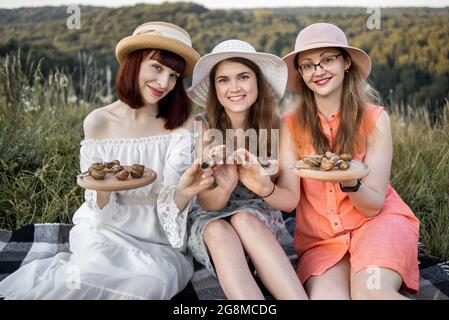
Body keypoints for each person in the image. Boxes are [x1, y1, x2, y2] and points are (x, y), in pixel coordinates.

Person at [0, 21, 214, 299]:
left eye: (173, 76)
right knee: (86, 276)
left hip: (160, 238)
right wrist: (102, 189)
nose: (164, 83)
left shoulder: (182, 124)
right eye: (157, 68)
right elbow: (98, 205)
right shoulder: (99, 122)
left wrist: (187, 191)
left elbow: (173, 200)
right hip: (106, 229)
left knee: (150, 284)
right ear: (134, 63)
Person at [245, 23, 420, 299]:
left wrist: (350, 182)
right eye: (308, 65)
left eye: (328, 59)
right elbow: (290, 198)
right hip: (322, 242)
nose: (319, 70)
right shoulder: (290, 123)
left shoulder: (375, 120)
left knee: (370, 293)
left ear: (346, 62)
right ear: (301, 74)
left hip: (376, 225)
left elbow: (374, 206)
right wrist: (263, 186)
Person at [186, 39, 308, 300]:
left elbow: (290, 201)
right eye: (224, 80)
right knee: (219, 231)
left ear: (258, 82)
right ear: (214, 88)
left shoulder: (279, 128)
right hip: (210, 217)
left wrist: (265, 187)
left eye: (243, 77)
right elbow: (206, 202)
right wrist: (226, 186)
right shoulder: (203, 128)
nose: (234, 88)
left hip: (258, 215)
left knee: (244, 219)